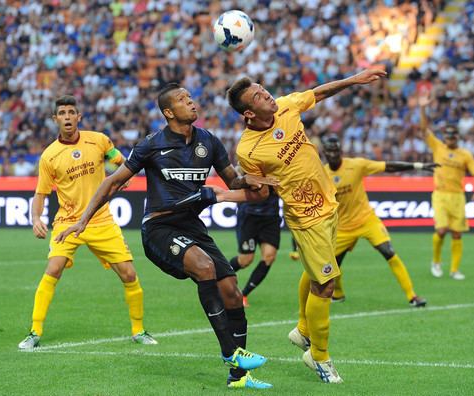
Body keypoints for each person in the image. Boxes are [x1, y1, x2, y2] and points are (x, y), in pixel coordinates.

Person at [56, 83, 275, 389]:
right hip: (159, 229)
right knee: (205, 267)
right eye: (184, 100)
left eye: (191, 97)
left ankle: (238, 378)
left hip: (192, 228)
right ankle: (232, 354)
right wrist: (82, 220)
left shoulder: (208, 142)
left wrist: (251, 181)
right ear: (170, 112)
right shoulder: (152, 145)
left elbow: (233, 180)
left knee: (231, 291)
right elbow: (112, 183)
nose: (192, 102)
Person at [227, 67, 387, 384]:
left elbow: (319, 92)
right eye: (258, 95)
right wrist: (251, 183)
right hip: (305, 217)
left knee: (315, 272)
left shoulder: (287, 105)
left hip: (329, 203)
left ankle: (302, 330)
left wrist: (354, 79)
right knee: (325, 285)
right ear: (248, 113)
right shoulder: (248, 149)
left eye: (263, 88)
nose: (267, 94)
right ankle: (319, 357)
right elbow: (259, 188)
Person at [18, 95, 157, 349]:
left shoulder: (99, 140)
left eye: (72, 112)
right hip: (67, 222)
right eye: (62, 113)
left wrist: (123, 176)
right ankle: (34, 332)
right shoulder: (49, 156)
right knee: (53, 269)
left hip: (101, 219)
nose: (68, 117)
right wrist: (36, 218)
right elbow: (41, 193)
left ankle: (138, 330)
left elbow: (122, 162)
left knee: (128, 273)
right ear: (55, 119)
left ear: (79, 117)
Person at [321, 135, 433, 307]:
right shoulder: (322, 175)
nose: (333, 154)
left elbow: (388, 166)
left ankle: (412, 296)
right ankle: (338, 294)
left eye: (336, 151)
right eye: (329, 151)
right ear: (324, 153)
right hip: (343, 227)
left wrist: (418, 166)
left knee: (389, 252)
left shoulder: (356, 165)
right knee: (333, 264)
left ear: (341, 151)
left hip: (367, 220)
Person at [419, 93, 474, 280]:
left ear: (457, 138)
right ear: (445, 137)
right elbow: (424, 129)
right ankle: (436, 262)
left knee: (457, 234)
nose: (450, 139)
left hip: (458, 196)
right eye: (448, 136)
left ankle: (454, 270)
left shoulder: (465, 154)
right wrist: (422, 108)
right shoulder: (438, 147)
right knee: (441, 230)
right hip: (440, 194)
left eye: (453, 137)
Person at [228, 187, 281, 307]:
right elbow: (239, 180)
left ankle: (243, 295)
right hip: (249, 215)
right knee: (245, 260)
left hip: (271, 217)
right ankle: (218, 278)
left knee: (269, 257)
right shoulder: (250, 168)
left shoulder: (279, 168)